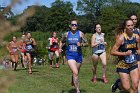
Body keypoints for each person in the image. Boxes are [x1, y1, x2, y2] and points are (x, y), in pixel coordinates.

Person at [111, 19, 140, 93]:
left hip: (133, 63)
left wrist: (137, 52)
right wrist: (125, 54)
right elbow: (113, 51)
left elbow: (139, 49)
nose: (130, 27)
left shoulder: (136, 37)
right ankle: (118, 83)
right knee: (126, 87)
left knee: (136, 86)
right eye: (128, 26)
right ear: (125, 27)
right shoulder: (121, 38)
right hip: (123, 64)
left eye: (132, 25)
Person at [60, 20, 88, 93]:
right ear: (70, 26)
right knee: (75, 72)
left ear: (77, 26)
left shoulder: (80, 34)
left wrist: (81, 44)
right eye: (73, 25)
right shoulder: (66, 34)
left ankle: (73, 79)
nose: (74, 26)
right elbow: (62, 41)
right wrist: (60, 48)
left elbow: (87, 43)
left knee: (76, 72)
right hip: (70, 55)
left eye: (75, 25)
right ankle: (78, 90)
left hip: (78, 55)